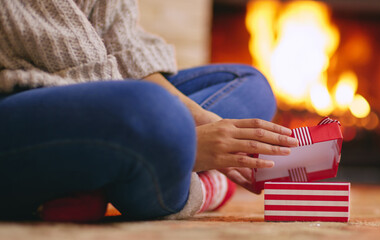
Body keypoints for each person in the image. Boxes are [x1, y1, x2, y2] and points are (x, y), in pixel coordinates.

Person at [0, 0, 299, 221]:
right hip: (21, 105)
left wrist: (202, 119)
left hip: (115, 101)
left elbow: (126, 51)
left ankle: (102, 178)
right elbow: (82, 72)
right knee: (151, 109)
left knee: (250, 84)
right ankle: (195, 181)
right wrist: (189, 143)